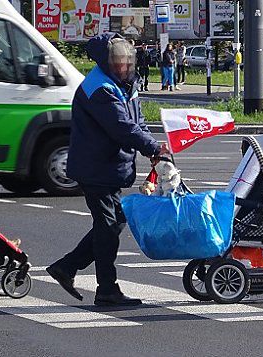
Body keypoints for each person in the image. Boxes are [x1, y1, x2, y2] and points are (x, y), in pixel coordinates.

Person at [46, 34, 169, 306]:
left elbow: (137, 124)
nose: (124, 67)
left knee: (114, 223)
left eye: (128, 63)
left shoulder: (122, 85)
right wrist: (151, 149)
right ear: (106, 62)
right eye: (119, 63)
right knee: (107, 226)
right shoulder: (100, 88)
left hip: (106, 167)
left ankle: (67, 267)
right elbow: (121, 128)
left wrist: (153, 148)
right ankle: (106, 289)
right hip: (96, 168)